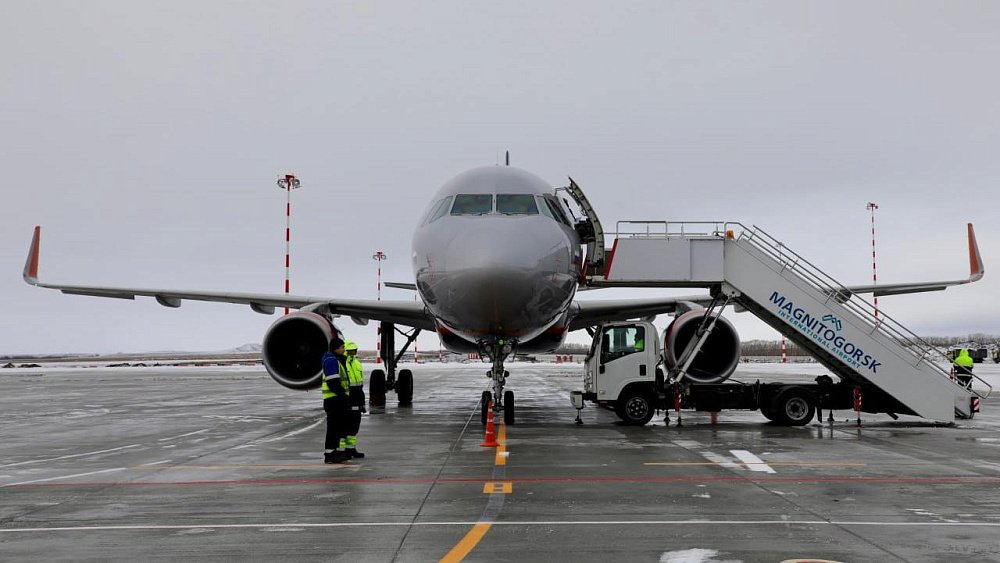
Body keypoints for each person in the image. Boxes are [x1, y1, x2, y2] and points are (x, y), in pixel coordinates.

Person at [322, 337, 351, 464]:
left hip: (335, 399)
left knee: (338, 427)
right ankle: (329, 454)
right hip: (334, 400)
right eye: (342, 347)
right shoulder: (331, 360)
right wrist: (342, 395)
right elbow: (333, 382)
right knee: (333, 428)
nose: (344, 350)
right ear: (336, 348)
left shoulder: (335, 360)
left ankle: (335, 452)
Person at [343, 340, 367, 459]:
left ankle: (351, 449)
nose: (352, 353)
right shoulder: (342, 363)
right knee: (346, 426)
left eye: (354, 351)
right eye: (350, 351)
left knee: (355, 426)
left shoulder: (357, 363)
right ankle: (343, 451)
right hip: (348, 397)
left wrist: (362, 402)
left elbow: (360, 383)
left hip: (358, 396)